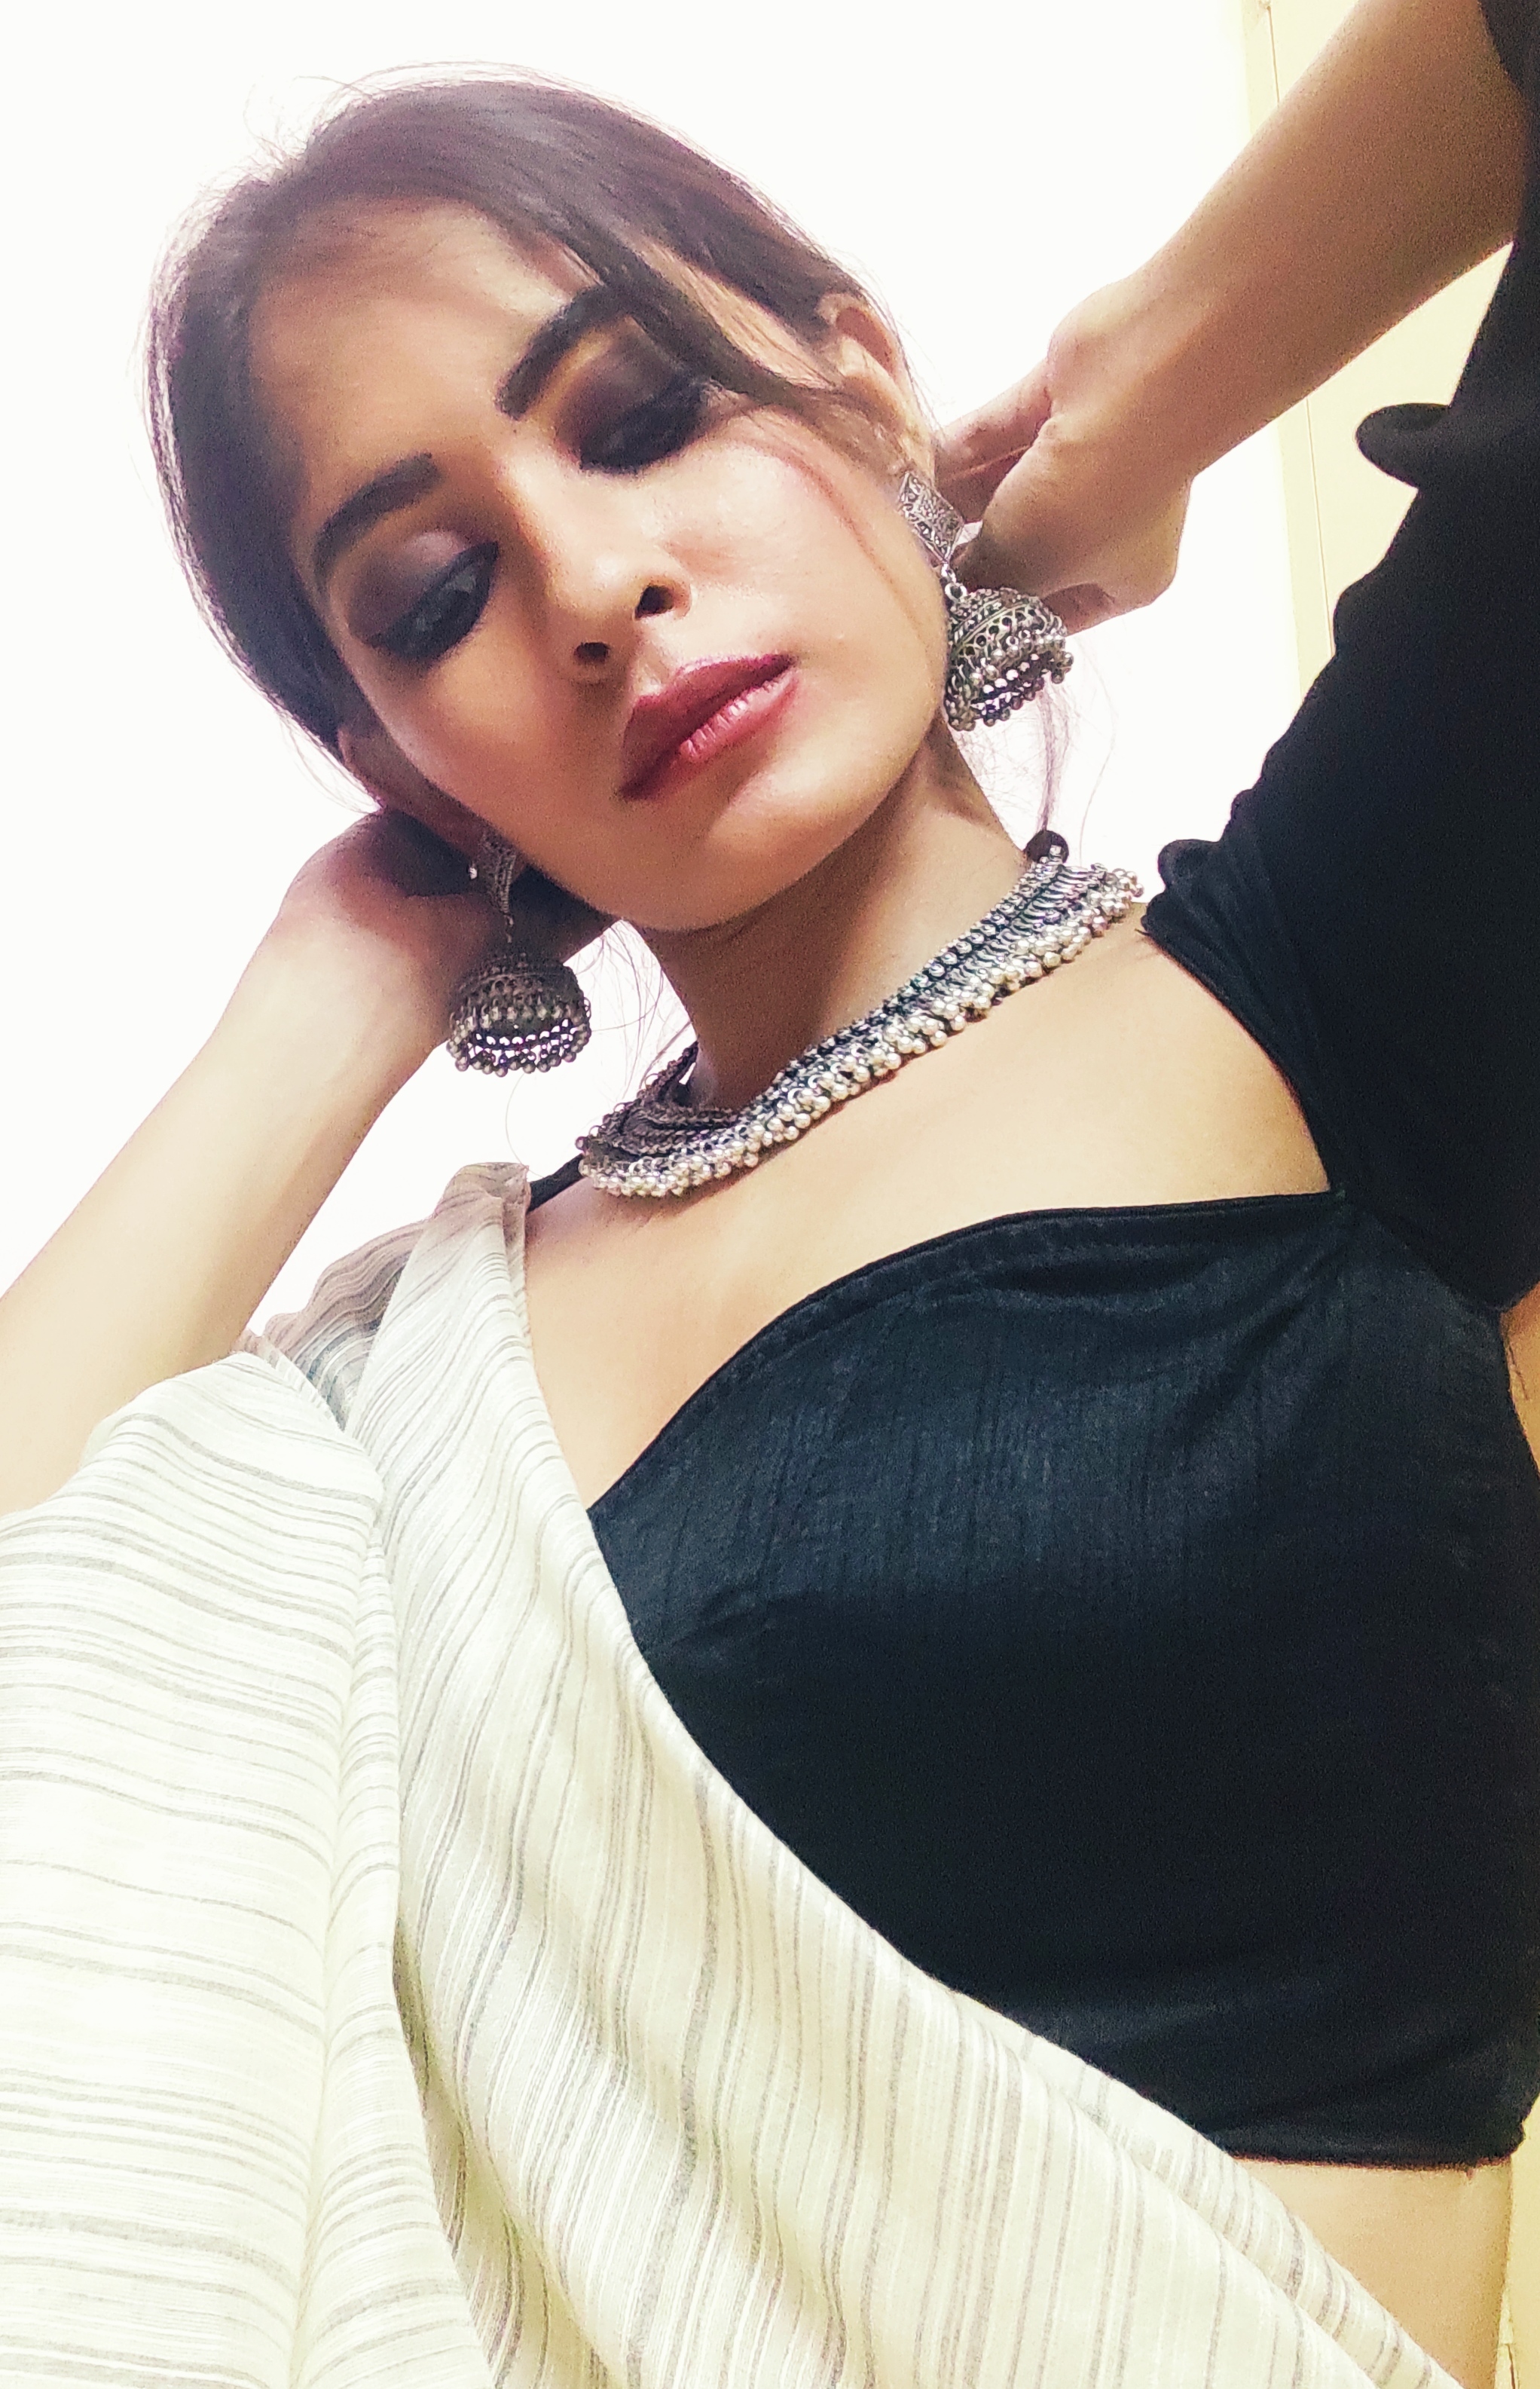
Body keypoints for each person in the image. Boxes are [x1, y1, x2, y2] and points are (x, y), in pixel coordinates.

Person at [0, 0, 1535, 2379]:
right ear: (396, 756)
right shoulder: (399, 1389)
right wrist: (323, 997)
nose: (589, 581)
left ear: (857, 376)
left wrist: (1140, 392)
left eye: (643, 418)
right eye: (432, 593)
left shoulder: (1336, 1002)